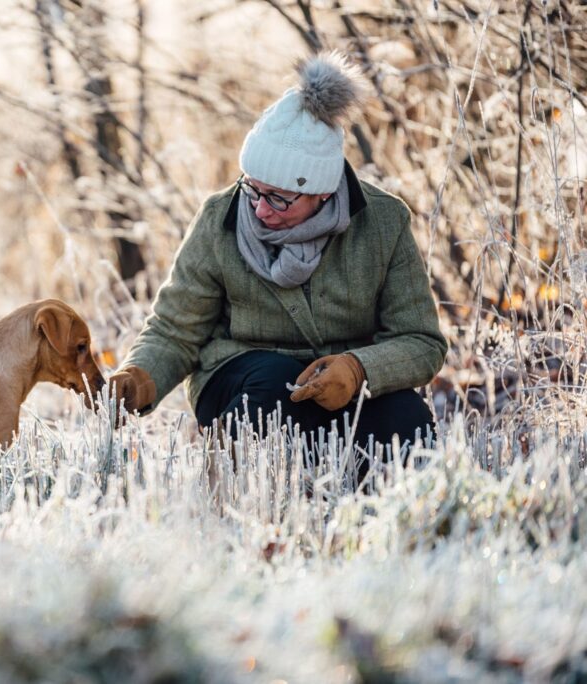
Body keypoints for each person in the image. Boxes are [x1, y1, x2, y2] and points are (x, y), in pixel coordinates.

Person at [110, 51, 447, 461]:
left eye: (279, 198)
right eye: (253, 187)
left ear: (323, 191)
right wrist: (140, 377)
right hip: (243, 377)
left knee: (405, 417)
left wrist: (359, 369)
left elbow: (421, 340)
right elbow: (175, 329)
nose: (259, 208)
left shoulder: (383, 223)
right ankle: (246, 487)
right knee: (274, 386)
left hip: (348, 385)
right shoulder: (221, 218)